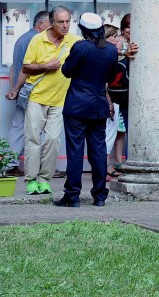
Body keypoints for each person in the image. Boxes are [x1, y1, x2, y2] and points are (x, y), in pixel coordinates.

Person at [54, 13, 136, 208]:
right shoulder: (111, 50)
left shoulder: (81, 47)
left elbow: (67, 71)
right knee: (98, 151)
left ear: (83, 30)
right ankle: (99, 195)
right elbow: (110, 75)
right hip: (99, 104)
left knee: (75, 151)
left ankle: (72, 195)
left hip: (77, 104)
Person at [20, 6, 79, 195]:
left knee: (53, 140)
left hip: (61, 99)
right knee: (33, 140)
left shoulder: (75, 41)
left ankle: (44, 179)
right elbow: (26, 67)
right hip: (37, 97)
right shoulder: (38, 39)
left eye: (68, 21)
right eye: (61, 22)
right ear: (52, 23)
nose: (65, 25)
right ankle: (31, 180)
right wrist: (45, 66)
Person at [3, 10, 50, 176]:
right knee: (39, 129)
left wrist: (14, 88)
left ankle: (11, 164)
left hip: (22, 90)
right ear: (41, 24)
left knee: (18, 127)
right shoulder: (38, 40)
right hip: (34, 90)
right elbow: (30, 68)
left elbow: (13, 67)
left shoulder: (21, 39)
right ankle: (41, 167)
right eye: (50, 23)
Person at [110, 14, 132, 173]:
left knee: (123, 130)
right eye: (128, 26)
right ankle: (117, 161)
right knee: (116, 130)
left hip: (129, 91)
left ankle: (120, 161)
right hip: (118, 92)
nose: (131, 30)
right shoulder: (118, 42)